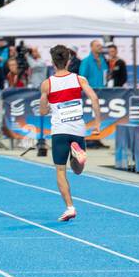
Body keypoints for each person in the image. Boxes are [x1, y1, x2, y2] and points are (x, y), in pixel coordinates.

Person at [38, 44, 102, 223]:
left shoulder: (47, 84)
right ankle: (77, 154)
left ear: (53, 62)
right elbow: (94, 98)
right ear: (69, 61)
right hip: (78, 129)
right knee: (78, 170)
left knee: (60, 171)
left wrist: (47, 102)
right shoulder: (79, 79)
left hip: (59, 131)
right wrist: (97, 123)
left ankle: (70, 207)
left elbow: (43, 111)